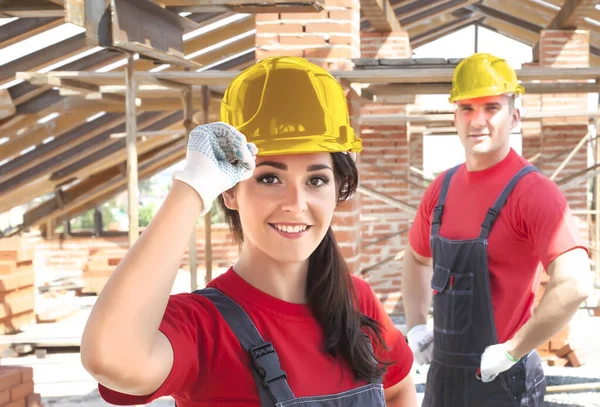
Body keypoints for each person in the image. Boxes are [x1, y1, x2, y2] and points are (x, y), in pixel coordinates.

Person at [80, 56, 417, 407]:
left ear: (338, 190)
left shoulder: (355, 301)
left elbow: (397, 390)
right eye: (270, 178)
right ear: (230, 191)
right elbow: (110, 359)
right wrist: (191, 188)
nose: (295, 202)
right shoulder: (203, 327)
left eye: (316, 180)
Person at [401, 52, 592, 406]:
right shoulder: (440, 190)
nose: (478, 120)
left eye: (491, 107)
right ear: (455, 117)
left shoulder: (534, 193)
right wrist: (416, 325)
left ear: (514, 116)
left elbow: (576, 283)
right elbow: (415, 259)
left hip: (504, 381)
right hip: (443, 377)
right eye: (467, 109)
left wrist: (511, 351)